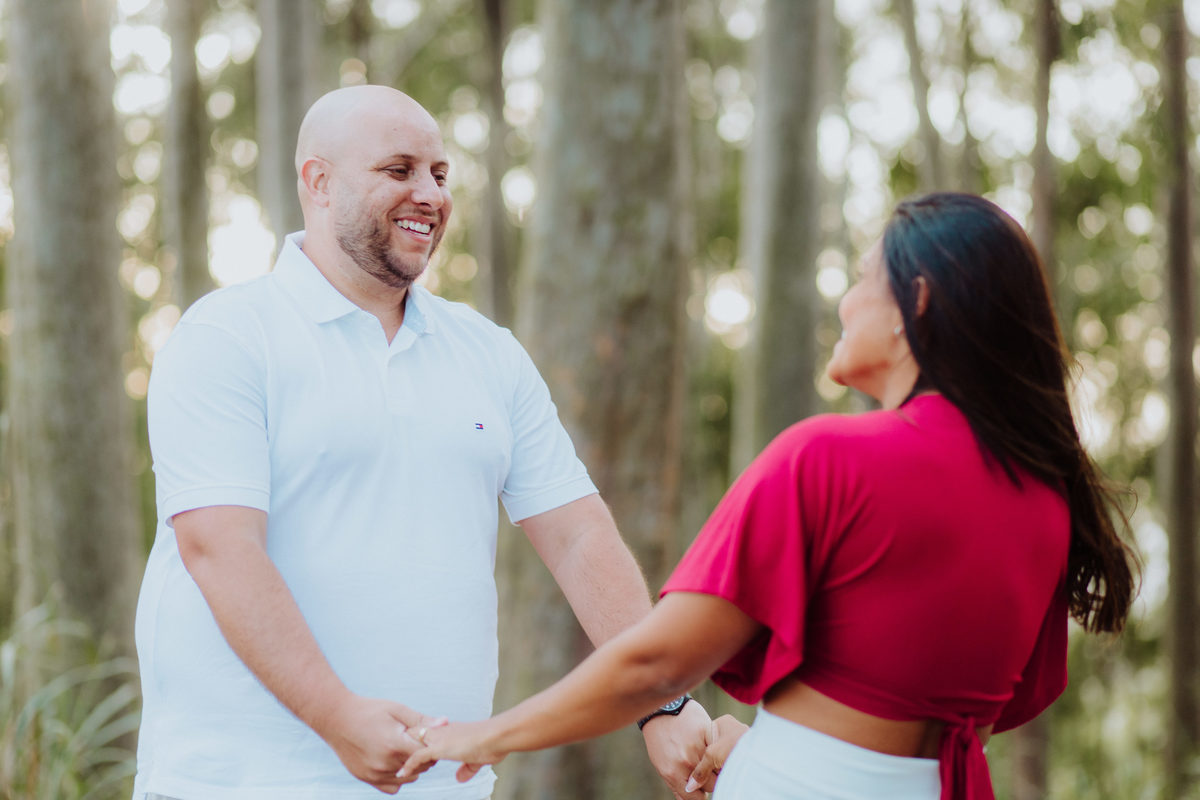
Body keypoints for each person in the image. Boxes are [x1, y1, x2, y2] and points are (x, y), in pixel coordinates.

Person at [396, 192, 1139, 800]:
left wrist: (489, 736)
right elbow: (942, 706)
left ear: (914, 302)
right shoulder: (1045, 497)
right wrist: (771, 744)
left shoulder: (830, 459)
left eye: (862, 279)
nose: (845, 303)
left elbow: (655, 666)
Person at [131, 84, 712, 800]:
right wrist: (336, 716)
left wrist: (662, 701)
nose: (430, 195)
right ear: (318, 181)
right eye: (398, 170)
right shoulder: (226, 336)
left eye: (439, 174)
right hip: (241, 783)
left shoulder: (488, 353)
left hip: (445, 786)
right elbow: (220, 549)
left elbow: (578, 537)